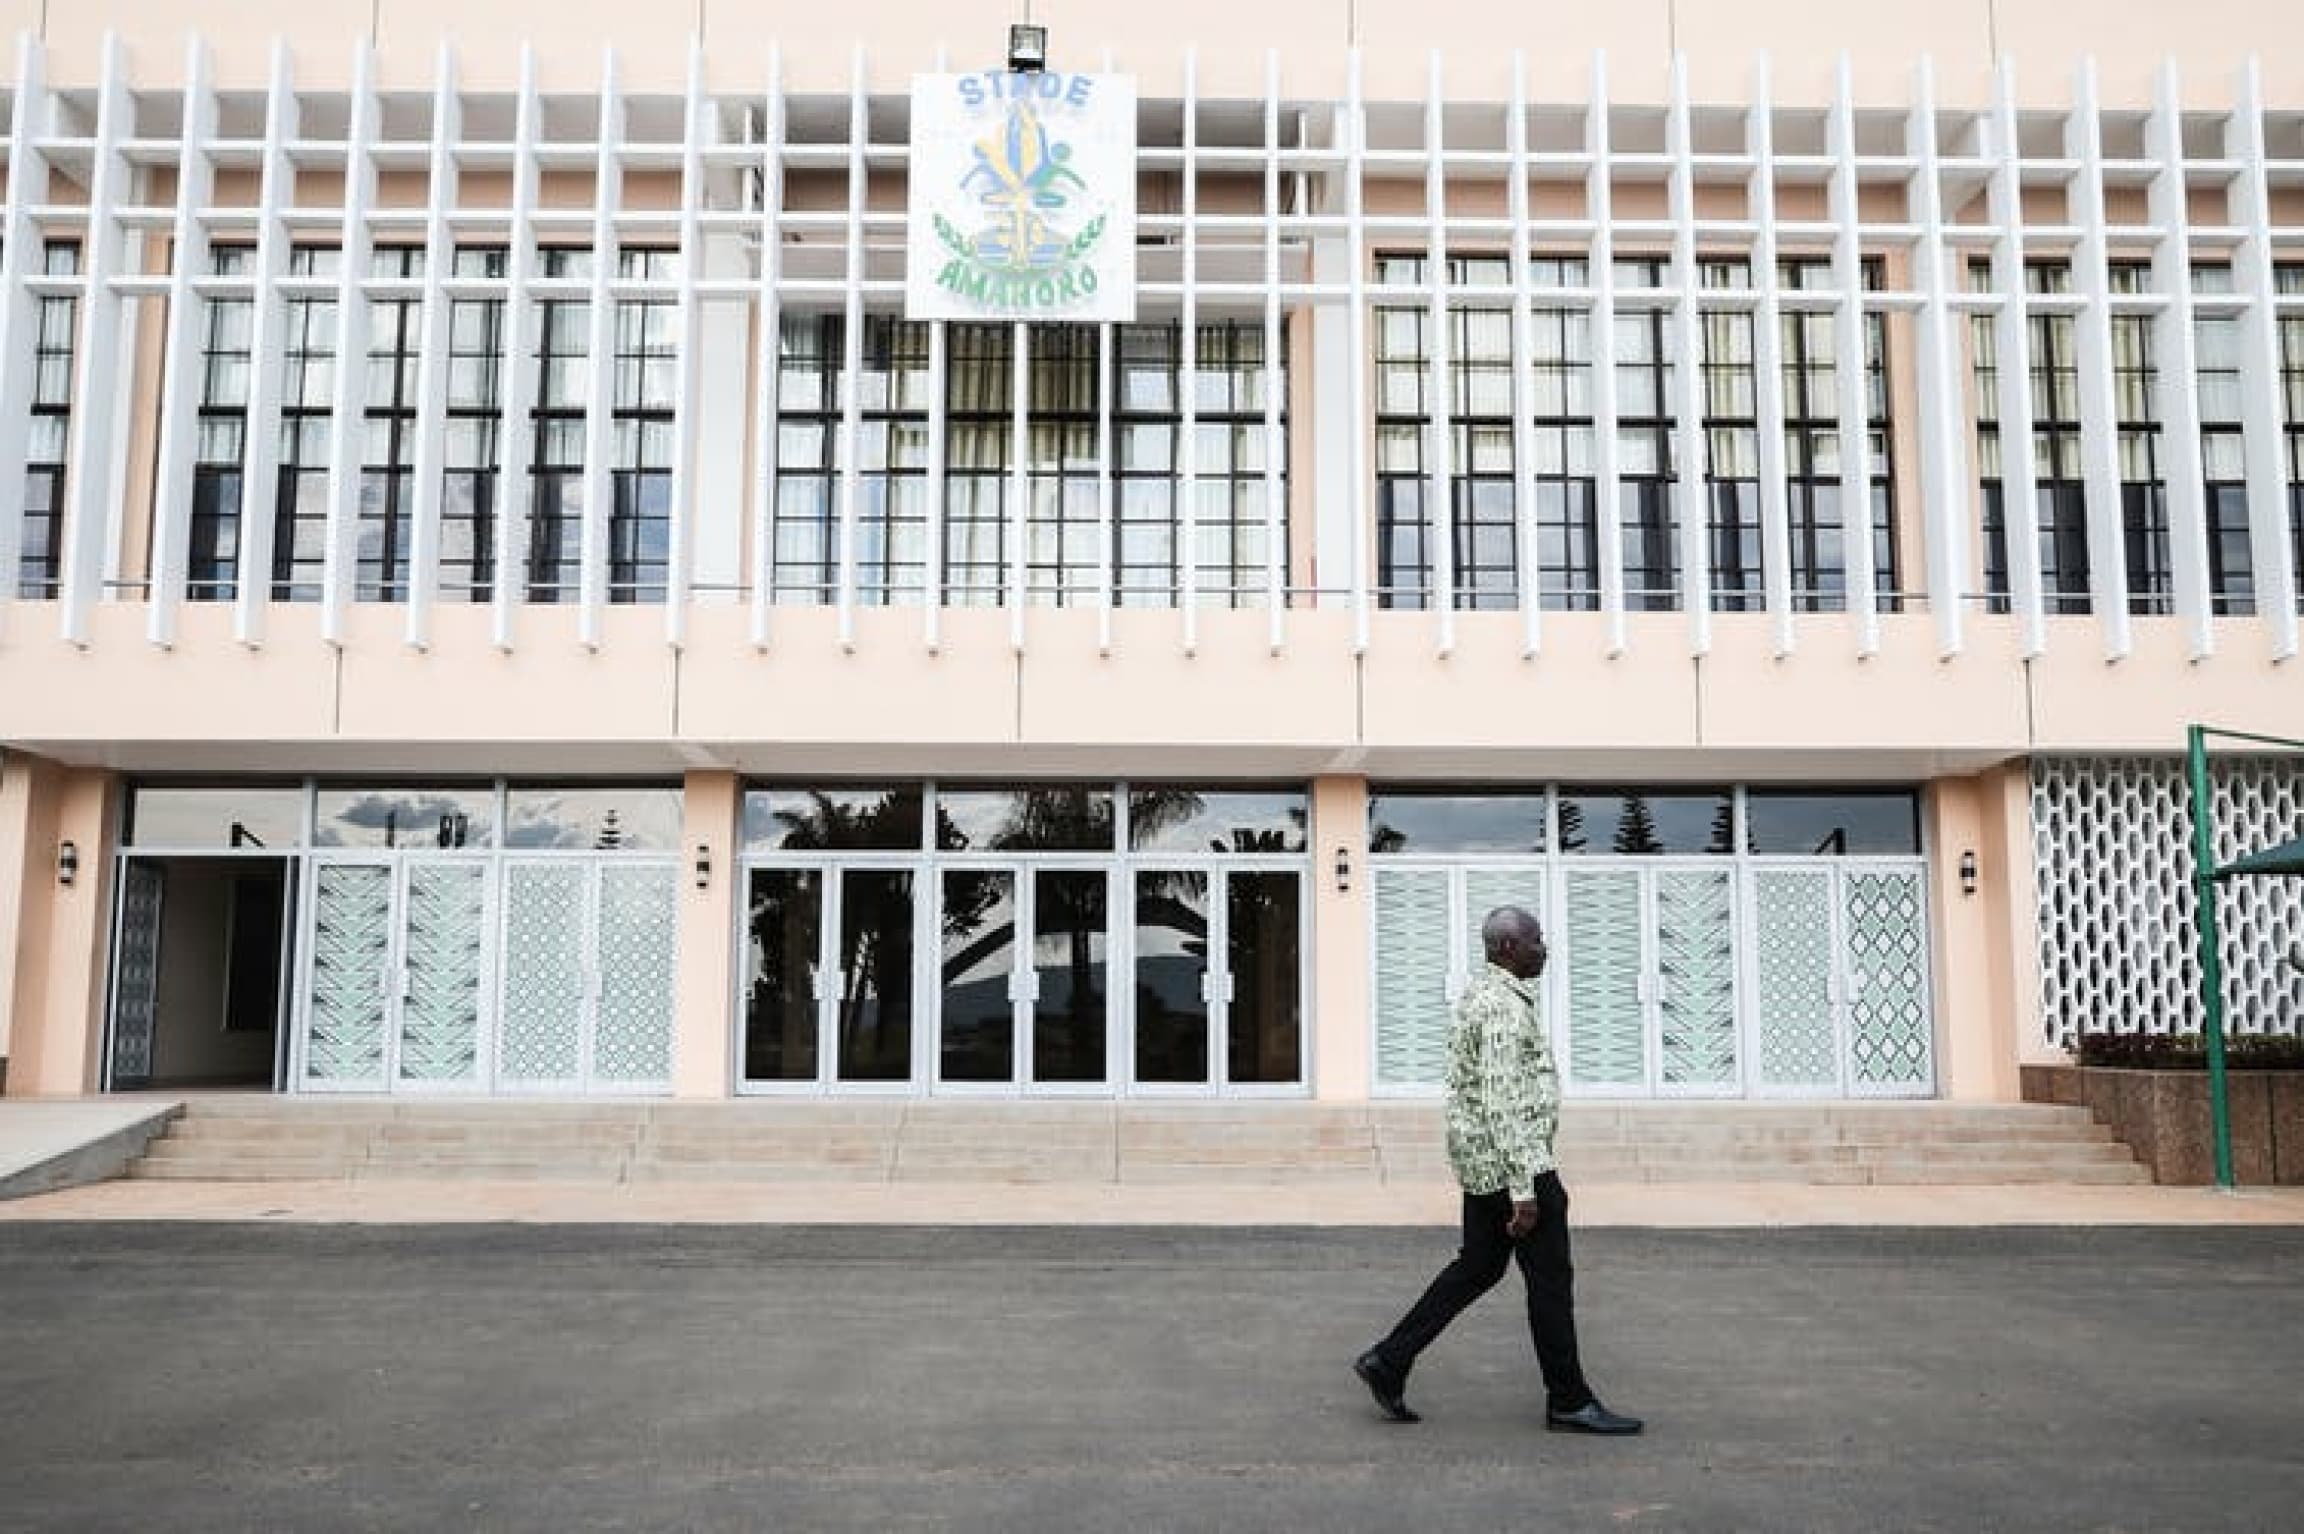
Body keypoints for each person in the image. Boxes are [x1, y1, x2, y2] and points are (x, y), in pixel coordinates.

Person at [1354, 905, 1642, 1434]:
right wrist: (1525, 1190)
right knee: (1550, 1281)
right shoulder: (1503, 1009)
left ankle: (1389, 1360)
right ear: (1508, 949)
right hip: (1514, 1168)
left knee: (1479, 1266)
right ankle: (1569, 1400)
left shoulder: (1481, 994)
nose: (1544, 947)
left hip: (1483, 1164)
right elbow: (1503, 1102)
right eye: (1535, 939)